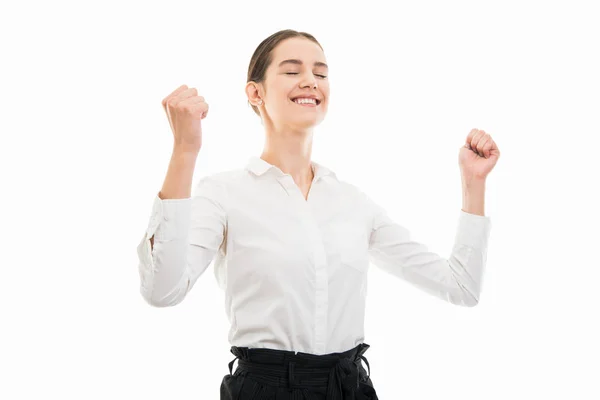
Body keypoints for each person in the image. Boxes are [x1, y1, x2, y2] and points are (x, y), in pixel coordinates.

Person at [136, 29, 499, 400]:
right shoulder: (224, 193)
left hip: (349, 388)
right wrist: (185, 150)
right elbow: (162, 290)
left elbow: (461, 288)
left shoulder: (353, 203)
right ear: (255, 92)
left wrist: (474, 184)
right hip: (264, 390)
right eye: (292, 71)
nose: (311, 81)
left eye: (321, 73)